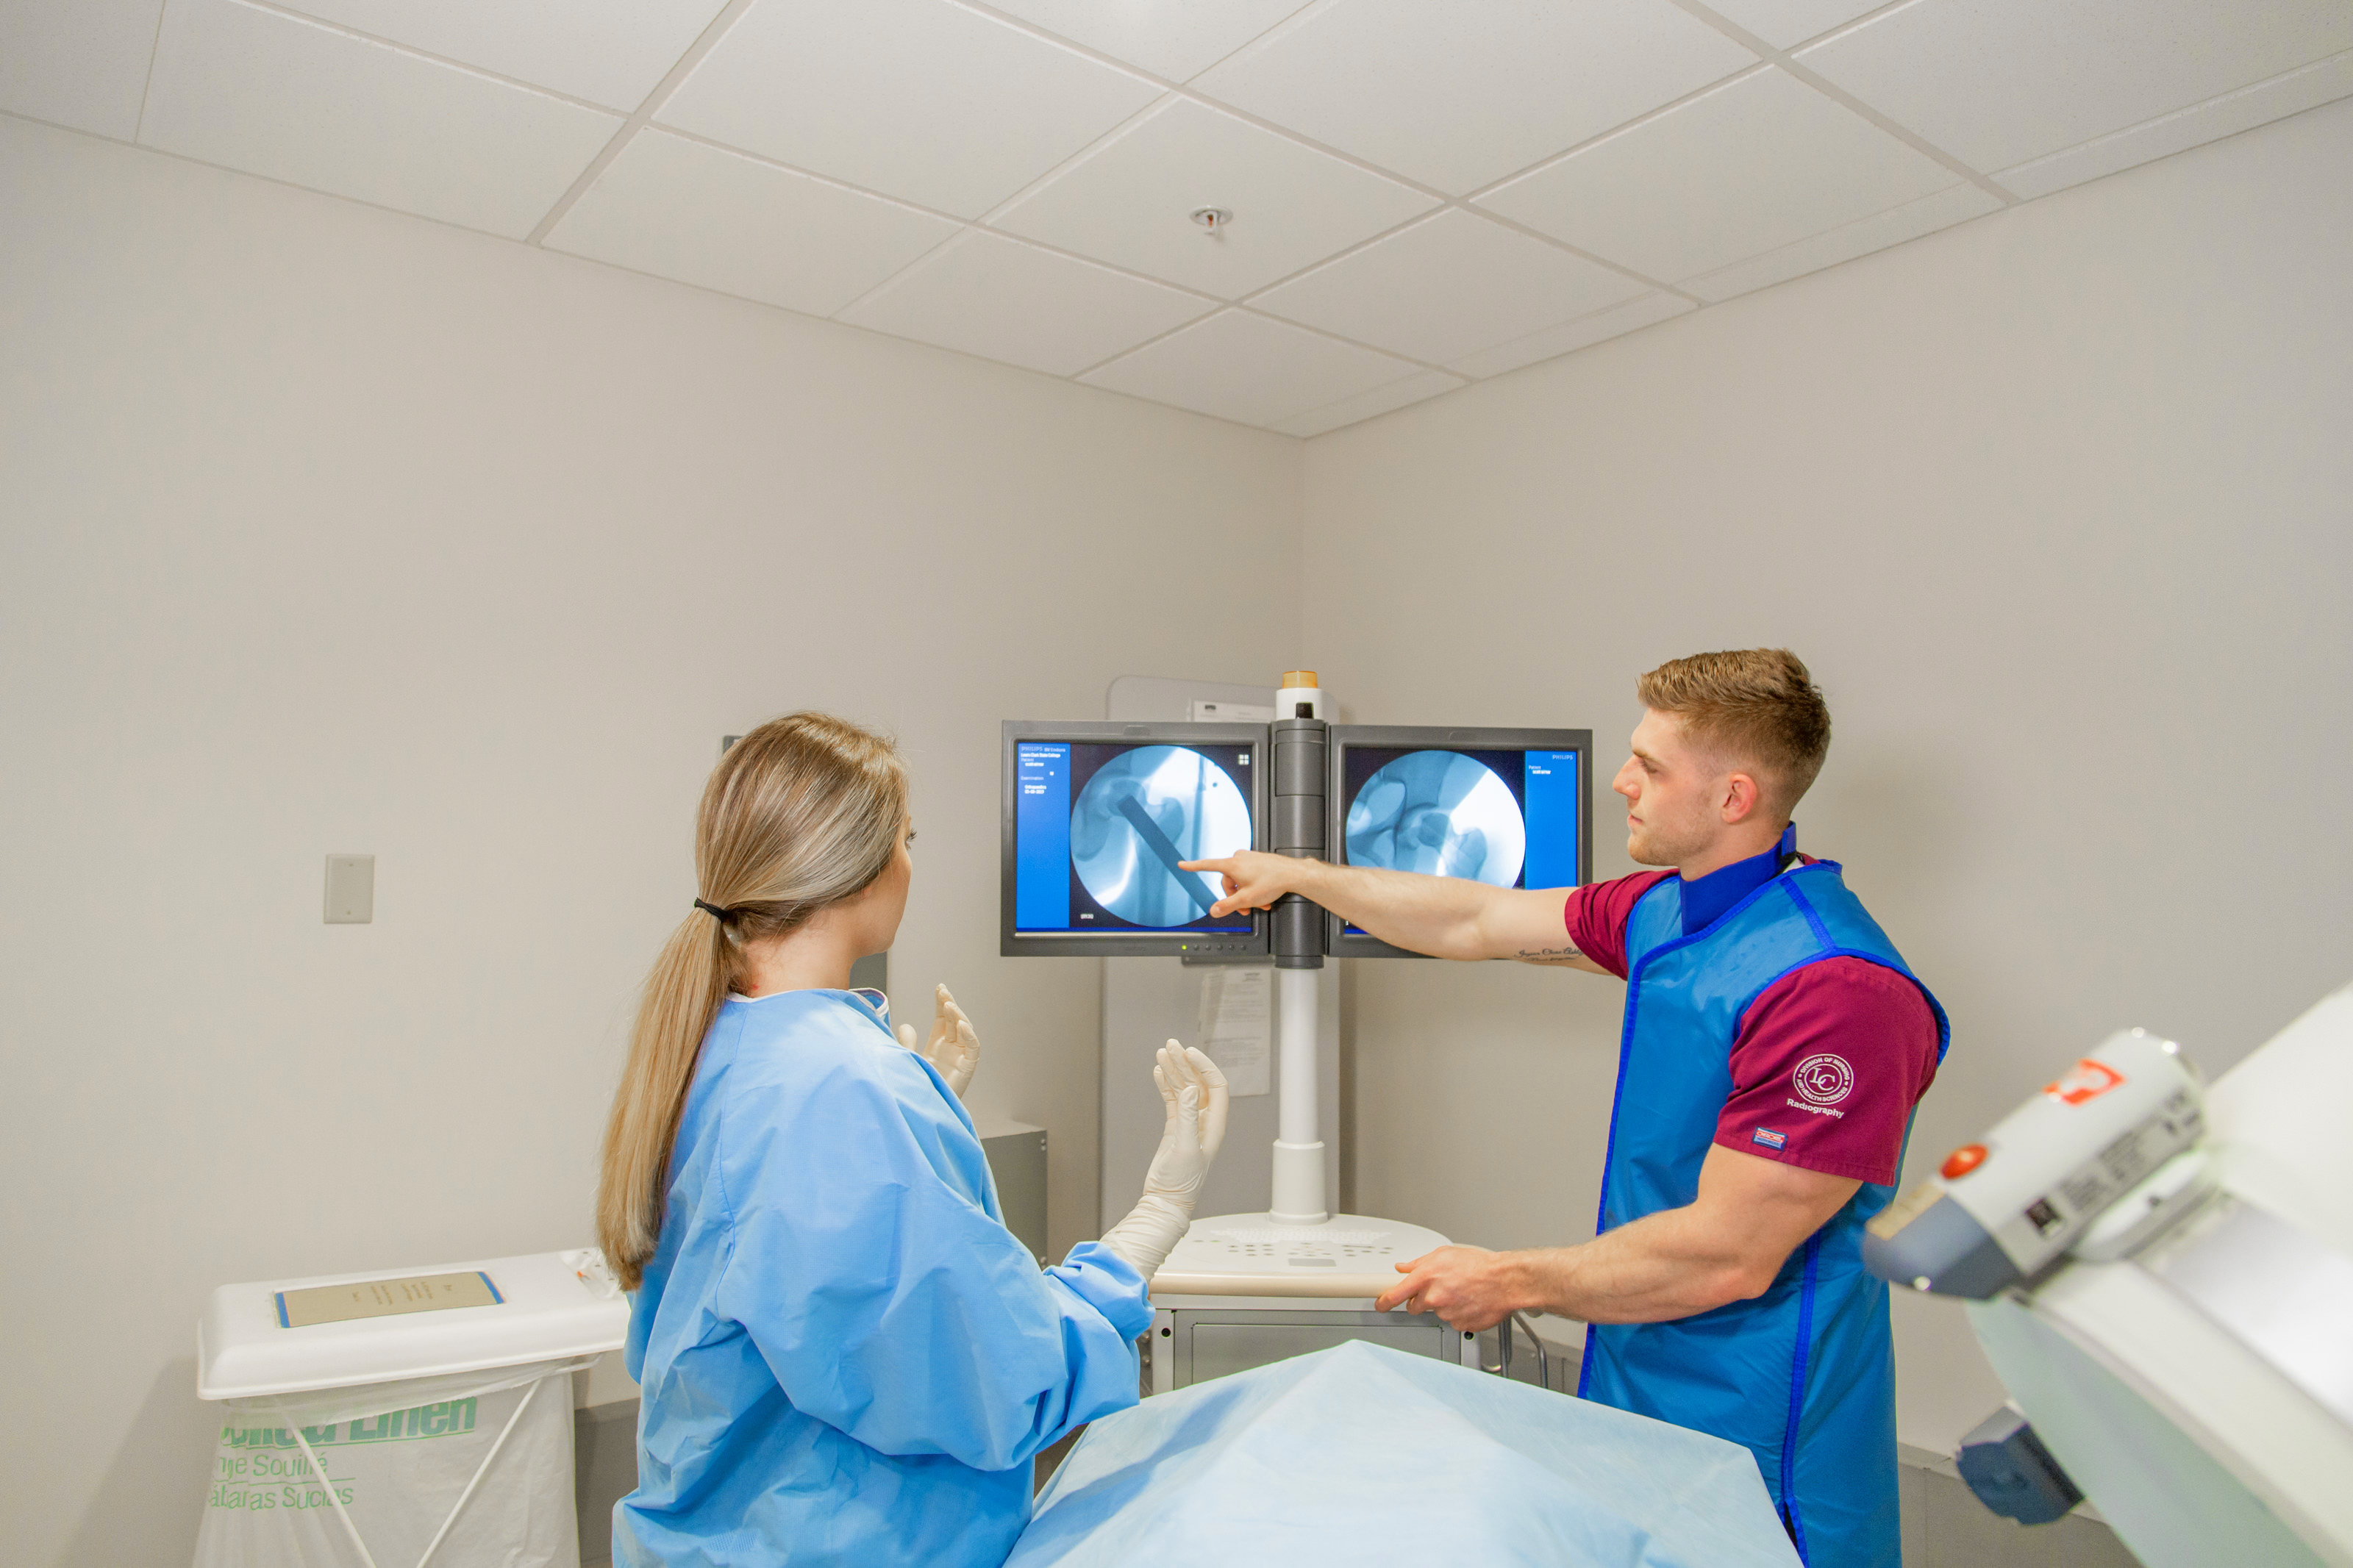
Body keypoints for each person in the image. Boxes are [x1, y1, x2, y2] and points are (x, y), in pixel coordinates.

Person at [1185, 651, 1946, 1568]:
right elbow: (1474, 921)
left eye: (1651, 767)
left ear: (1734, 797)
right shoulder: (1672, 910)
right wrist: (1301, 876)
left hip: (1762, 1425)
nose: (1620, 782)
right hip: (1637, 1366)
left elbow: (1731, 1256)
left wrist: (1509, 1281)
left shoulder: (1836, 992)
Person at [596, 712, 1231, 1567]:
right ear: (859, 868)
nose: (909, 862)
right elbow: (992, 1383)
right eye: (906, 838)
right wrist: (1153, 1222)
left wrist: (913, 1127)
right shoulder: (840, 1086)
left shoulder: (723, 1042)